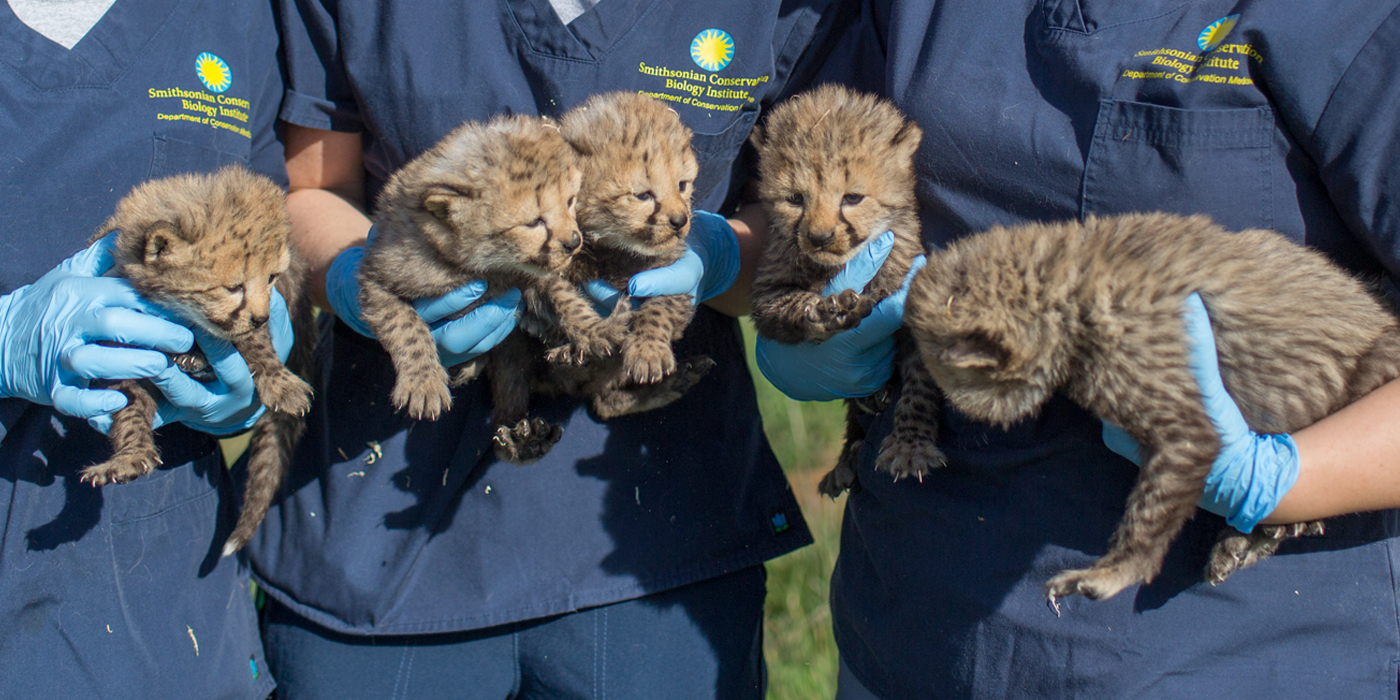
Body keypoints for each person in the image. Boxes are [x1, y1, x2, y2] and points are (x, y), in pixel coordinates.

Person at [756, 1, 1400, 697]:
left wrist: (1282, 481)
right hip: (918, 621)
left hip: (1225, 647)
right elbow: (791, 181)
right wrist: (785, 305)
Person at [245, 1, 852, 697]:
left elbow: (803, 219)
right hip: (384, 523)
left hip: (653, 530)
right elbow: (313, 187)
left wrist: (719, 256)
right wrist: (359, 277)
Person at [0, 1, 289, 697]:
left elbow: (275, 210)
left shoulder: (229, 16)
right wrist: (8, 340)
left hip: (160, 609)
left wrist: (268, 341)